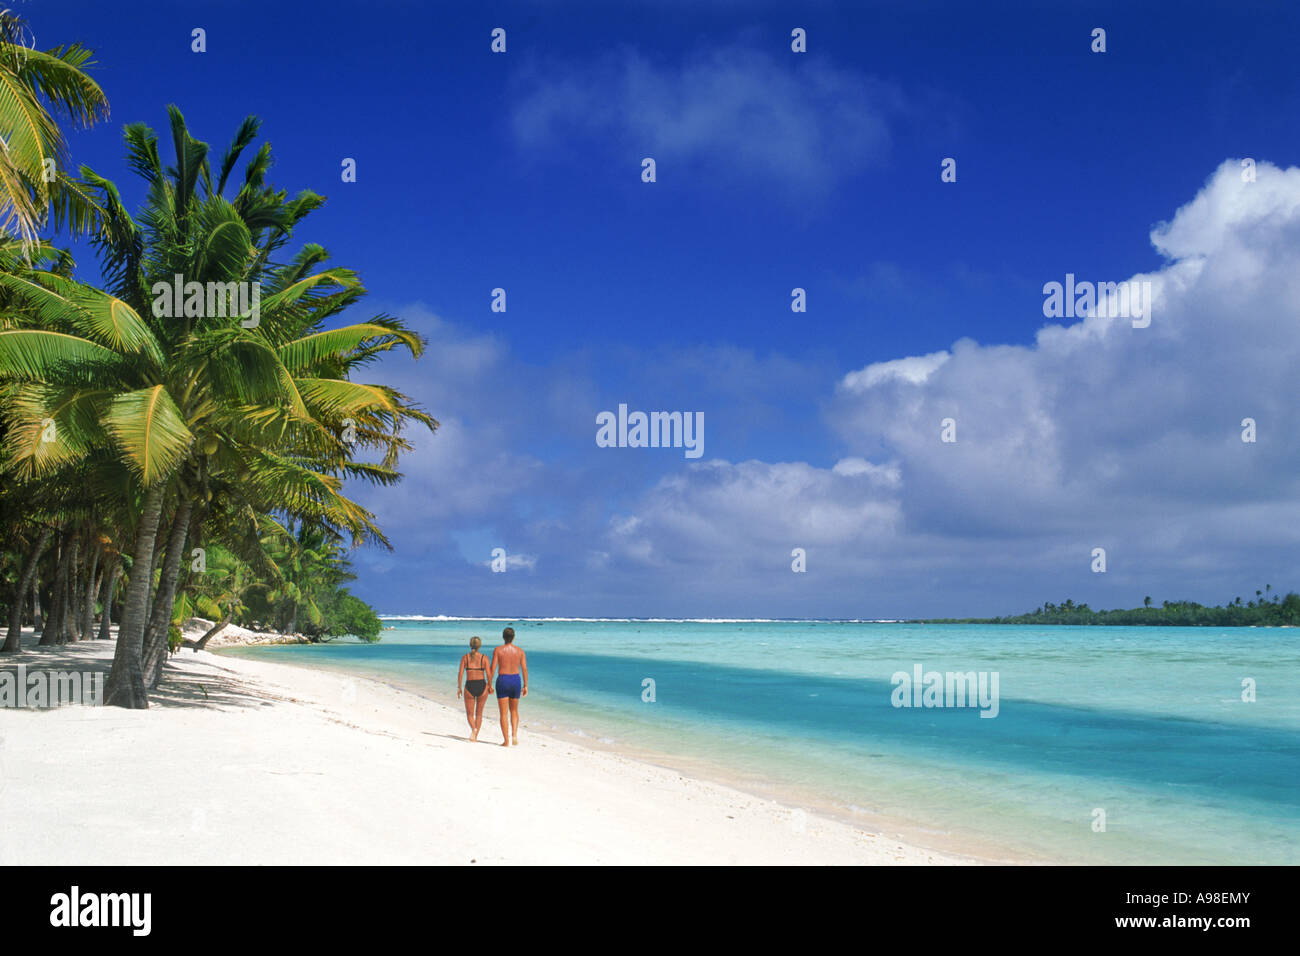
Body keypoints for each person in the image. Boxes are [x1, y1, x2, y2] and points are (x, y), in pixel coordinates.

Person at [492, 626, 528, 747]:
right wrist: (526, 685)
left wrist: (488, 683)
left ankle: (506, 741)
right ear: (513, 637)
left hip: (503, 679)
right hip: (515, 680)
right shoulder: (520, 651)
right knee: (514, 711)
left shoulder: (498, 650)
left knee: (503, 713)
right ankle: (514, 735)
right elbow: (524, 669)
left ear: (503, 637)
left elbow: (493, 668)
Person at [457, 636, 492, 741]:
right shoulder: (484, 658)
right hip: (482, 685)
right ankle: (475, 736)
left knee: (470, 714)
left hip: (469, 686)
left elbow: (460, 674)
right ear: (479, 646)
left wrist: (459, 687)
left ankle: (474, 730)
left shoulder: (465, 657)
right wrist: (490, 686)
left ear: (470, 645)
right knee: (479, 714)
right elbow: (489, 674)